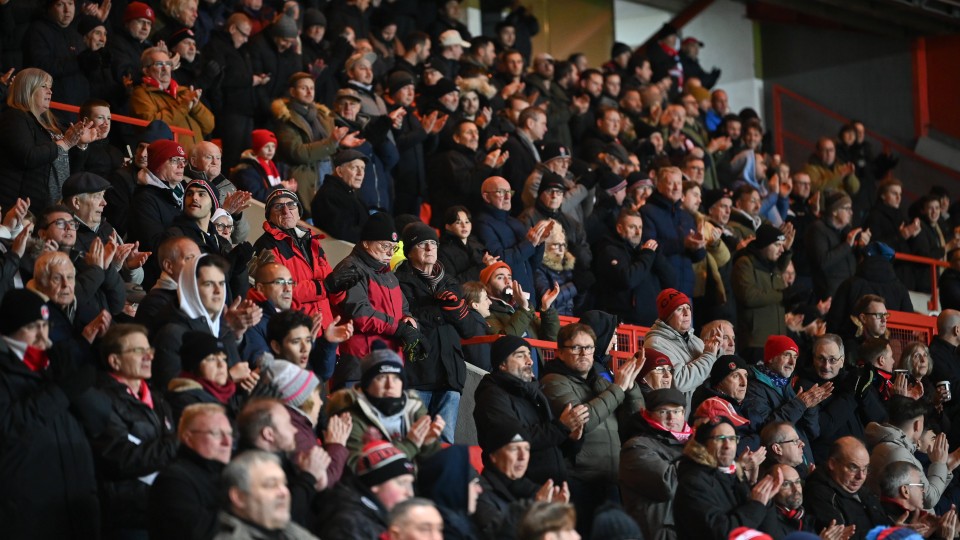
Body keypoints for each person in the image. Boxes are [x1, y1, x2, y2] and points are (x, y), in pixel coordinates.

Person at [0, 289, 103, 540]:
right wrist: (61, 391)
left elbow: (99, 421)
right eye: (32, 327)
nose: (41, 336)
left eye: (45, 326)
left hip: (76, 508)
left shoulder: (52, 365)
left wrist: (78, 384)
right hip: (27, 517)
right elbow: (9, 427)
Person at [540, 323, 643, 531]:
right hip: (580, 482)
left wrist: (630, 388)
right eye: (576, 347)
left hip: (612, 480)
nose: (583, 353)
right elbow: (582, 423)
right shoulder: (553, 382)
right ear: (560, 352)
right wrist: (618, 388)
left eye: (588, 348)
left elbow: (634, 421)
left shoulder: (602, 383)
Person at [92, 323, 179, 539]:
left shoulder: (158, 399)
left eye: (149, 350)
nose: (148, 357)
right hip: (128, 516)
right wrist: (179, 442)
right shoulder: (101, 400)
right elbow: (119, 458)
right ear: (115, 360)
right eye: (139, 351)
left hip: (164, 508)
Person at [474, 335, 584, 485]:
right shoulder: (492, 396)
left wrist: (571, 438)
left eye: (529, 355)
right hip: (519, 493)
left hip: (549, 489)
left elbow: (552, 446)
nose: (530, 361)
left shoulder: (534, 393)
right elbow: (514, 441)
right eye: (520, 356)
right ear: (502, 364)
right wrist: (561, 428)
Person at [327, 213, 420, 384]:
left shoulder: (388, 274)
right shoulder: (351, 268)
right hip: (359, 363)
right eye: (385, 246)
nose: (391, 253)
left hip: (387, 362)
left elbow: (403, 309)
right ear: (366, 243)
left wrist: (409, 323)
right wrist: (398, 329)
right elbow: (361, 315)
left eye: (394, 247)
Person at [326, 344, 442, 466]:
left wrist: (429, 444)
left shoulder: (414, 408)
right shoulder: (350, 415)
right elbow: (360, 467)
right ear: (366, 384)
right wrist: (410, 444)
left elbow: (434, 466)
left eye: (396, 378)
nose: (390, 385)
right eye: (381, 377)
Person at [0, 67, 98, 210]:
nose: (50, 91)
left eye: (50, 87)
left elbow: (71, 169)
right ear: (27, 89)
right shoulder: (14, 117)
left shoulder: (51, 123)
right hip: (23, 207)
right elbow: (28, 156)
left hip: (52, 207)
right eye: (44, 86)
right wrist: (64, 143)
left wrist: (80, 145)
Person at [673, 415, 778, 540]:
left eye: (732, 438)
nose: (727, 445)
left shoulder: (734, 474)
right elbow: (723, 533)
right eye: (720, 438)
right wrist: (757, 504)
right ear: (703, 445)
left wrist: (766, 500)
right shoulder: (693, 483)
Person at [148, 403, 233, 540]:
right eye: (216, 434)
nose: (227, 442)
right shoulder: (173, 481)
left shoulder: (229, 475)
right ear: (188, 438)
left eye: (229, 434)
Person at [742, 335, 828, 468]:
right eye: (787, 355)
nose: (792, 362)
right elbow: (767, 430)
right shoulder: (754, 388)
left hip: (804, 467)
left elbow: (812, 433)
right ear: (771, 358)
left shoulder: (790, 386)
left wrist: (810, 407)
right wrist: (800, 404)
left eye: (795, 357)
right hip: (780, 469)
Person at [253, 189, 337, 322]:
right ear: (269, 216)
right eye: (278, 206)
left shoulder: (313, 241)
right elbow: (281, 290)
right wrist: (323, 287)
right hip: (295, 326)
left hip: (326, 325)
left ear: (299, 213)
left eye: (291, 205)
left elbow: (331, 282)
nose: (286, 211)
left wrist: (341, 286)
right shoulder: (266, 246)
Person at [619, 388, 692, 540]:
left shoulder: (691, 443)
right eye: (663, 412)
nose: (672, 417)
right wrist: (702, 455)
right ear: (648, 414)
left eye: (677, 411)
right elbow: (668, 485)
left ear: (684, 413)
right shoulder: (636, 447)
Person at [270, 72, 353, 206]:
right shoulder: (286, 118)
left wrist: (340, 143)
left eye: (312, 88)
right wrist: (331, 142)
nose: (309, 92)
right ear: (292, 91)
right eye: (304, 88)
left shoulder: (323, 116)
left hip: (326, 178)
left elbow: (330, 148)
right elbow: (298, 153)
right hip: (303, 184)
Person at [313, 437, 416, 540]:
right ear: (375, 484)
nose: (409, 493)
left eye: (410, 484)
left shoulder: (372, 513)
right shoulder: (349, 524)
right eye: (402, 483)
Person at [864, 396, 956, 510]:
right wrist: (939, 463)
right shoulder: (900, 454)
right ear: (917, 425)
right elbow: (928, 499)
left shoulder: (886, 442)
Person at [475, 176, 552, 307]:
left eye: (509, 192)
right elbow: (500, 261)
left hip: (528, 296)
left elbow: (533, 264)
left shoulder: (516, 223)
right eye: (501, 192)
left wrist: (539, 243)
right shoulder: (482, 224)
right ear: (486, 197)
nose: (507, 197)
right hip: (507, 300)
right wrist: (529, 244)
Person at [643, 288, 722, 411]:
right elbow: (679, 382)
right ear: (667, 317)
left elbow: (712, 373)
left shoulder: (695, 340)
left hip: (706, 409)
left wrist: (717, 351)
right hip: (681, 415)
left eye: (688, 307)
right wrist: (708, 356)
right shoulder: (656, 343)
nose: (686, 312)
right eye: (679, 309)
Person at [592, 209, 674, 325]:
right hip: (626, 325)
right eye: (632, 227)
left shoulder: (645, 252)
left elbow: (672, 281)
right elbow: (628, 279)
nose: (638, 232)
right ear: (620, 228)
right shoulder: (610, 251)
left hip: (653, 325)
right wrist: (647, 255)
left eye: (640, 227)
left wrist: (657, 255)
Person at [214, 450, 319, 539]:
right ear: (239, 497)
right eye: (271, 485)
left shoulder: (291, 531)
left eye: (284, 484)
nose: (284, 492)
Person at [130, 47, 214, 152]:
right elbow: (153, 126)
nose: (165, 68)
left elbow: (209, 126)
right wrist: (183, 106)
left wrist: (196, 106)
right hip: (171, 161)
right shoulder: (141, 93)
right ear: (146, 70)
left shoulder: (183, 91)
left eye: (168, 64)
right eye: (159, 64)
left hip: (196, 159)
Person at [804, 437, 891, 538]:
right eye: (853, 467)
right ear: (832, 464)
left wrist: (896, 528)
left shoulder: (856, 487)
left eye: (865, 468)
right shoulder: (819, 494)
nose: (861, 476)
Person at [640, 166, 707, 298]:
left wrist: (698, 246)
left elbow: (697, 257)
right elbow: (649, 248)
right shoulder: (647, 212)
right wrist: (683, 244)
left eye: (679, 183)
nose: (676, 187)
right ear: (659, 186)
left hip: (686, 292)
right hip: (659, 289)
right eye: (671, 183)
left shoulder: (686, 216)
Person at [732, 223, 792, 359]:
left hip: (778, 341)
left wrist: (792, 301)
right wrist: (782, 295)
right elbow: (749, 296)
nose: (781, 250)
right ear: (765, 245)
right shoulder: (745, 263)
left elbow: (776, 299)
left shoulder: (773, 268)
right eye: (777, 245)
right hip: (756, 341)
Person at [164, 331, 248, 423]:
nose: (221, 365)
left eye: (223, 359)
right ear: (193, 366)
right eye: (211, 359)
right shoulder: (186, 402)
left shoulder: (225, 395)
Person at [806, 191, 869, 301]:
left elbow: (855, 259)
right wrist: (847, 244)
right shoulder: (818, 229)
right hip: (830, 293)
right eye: (847, 208)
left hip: (849, 288)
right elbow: (822, 262)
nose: (851, 213)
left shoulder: (846, 231)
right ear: (835, 211)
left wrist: (861, 246)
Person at [311, 149, 372, 243]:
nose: (360, 173)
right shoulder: (329, 195)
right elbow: (343, 233)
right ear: (339, 171)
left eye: (363, 168)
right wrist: (372, 236)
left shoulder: (349, 193)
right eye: (355, 168)